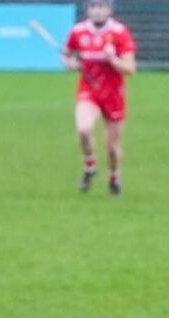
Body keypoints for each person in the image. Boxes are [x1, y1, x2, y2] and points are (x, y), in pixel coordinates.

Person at [63, 0, 137, 195]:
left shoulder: (120, 33)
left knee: (112, 147)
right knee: (84, 129)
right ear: (88, 10)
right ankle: (90, 165)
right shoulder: (78, 32)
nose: (97, 11)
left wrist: (113, 59)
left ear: (109, 10)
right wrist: (70, 63)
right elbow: (68, 55)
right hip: (89, 90)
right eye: (93, 7)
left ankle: (114, 177)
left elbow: (130, 69)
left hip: (114, 94)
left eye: (102, 6)